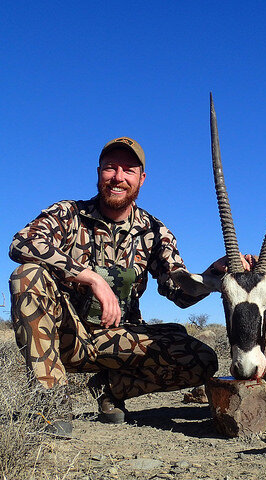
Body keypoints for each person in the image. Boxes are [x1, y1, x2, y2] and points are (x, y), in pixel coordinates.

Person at [8, 137, 246, 434]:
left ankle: (111, 390)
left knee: (203, 360)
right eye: (111, 168)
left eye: (128, 170)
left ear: (141, 179)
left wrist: (213, 274)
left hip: (119, 340)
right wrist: (91, 278)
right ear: (99, 172)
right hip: (66, 336)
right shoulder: (68, 213)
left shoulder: (156, 231)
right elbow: (22, 242)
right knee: (27, 274)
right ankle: (51, 400)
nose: (118, 177)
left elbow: (179, 292)